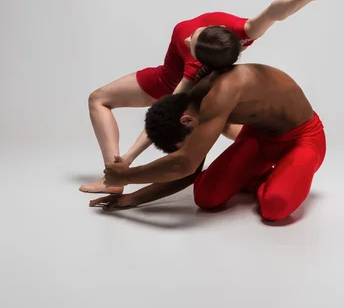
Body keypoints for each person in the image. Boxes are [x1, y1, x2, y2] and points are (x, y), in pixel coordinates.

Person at [80, 0, 344, 194]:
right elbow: (274, 12)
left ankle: (278, 155)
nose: (187, 38)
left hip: (175, 87)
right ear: (218, 31)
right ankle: (266, 155)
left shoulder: (191, 75)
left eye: (190, 43)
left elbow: (165, 115)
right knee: (100, 99)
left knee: (223, 121)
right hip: (165, 77)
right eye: (195, 36)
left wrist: (126, 162)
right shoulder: (240, 33)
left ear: (199, 60)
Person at [91, 61, 326, 223]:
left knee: (274, 208)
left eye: (185, 144)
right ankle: (273, 177)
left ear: (186, 120)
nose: (191, 149)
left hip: (303, 139)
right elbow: (190, 170)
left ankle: (281, 177)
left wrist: (125, 176)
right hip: (259, 137)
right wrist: (129, 199)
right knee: (206, 196)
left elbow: (185, 164)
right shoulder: (194, 108)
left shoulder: (220, 94)